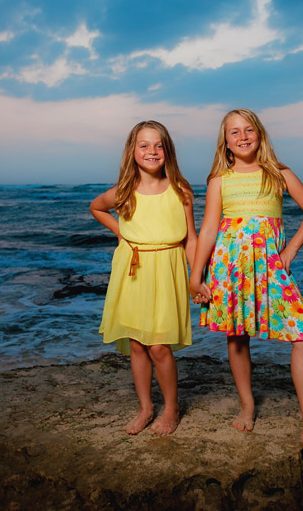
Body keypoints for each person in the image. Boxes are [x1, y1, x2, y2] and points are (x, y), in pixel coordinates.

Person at [189, 109, 303, 448]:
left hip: (270, 267)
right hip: (229, 266)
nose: (242, 136)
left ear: (260, 133)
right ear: (225, 141)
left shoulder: (278, 172)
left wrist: (291, 250)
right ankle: (248, 405)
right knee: (237, 337)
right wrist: (196, 277)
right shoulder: (219, 179)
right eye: (234, 132)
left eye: (248, 129)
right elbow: (208, 229)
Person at [90, 120, 197, 435]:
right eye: (144, 145)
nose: (152, 151)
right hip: (132, 271)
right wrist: (122, 233)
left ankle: (172, 407)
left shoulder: (181, 190)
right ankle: (146, 408)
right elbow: (97, 207)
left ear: (168, 151)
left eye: (158, 145)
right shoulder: (123, 191)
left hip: (167, 269)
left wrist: (198, 277)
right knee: (137, 344)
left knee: (159, 345)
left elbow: (191, 238)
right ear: (132, 151)